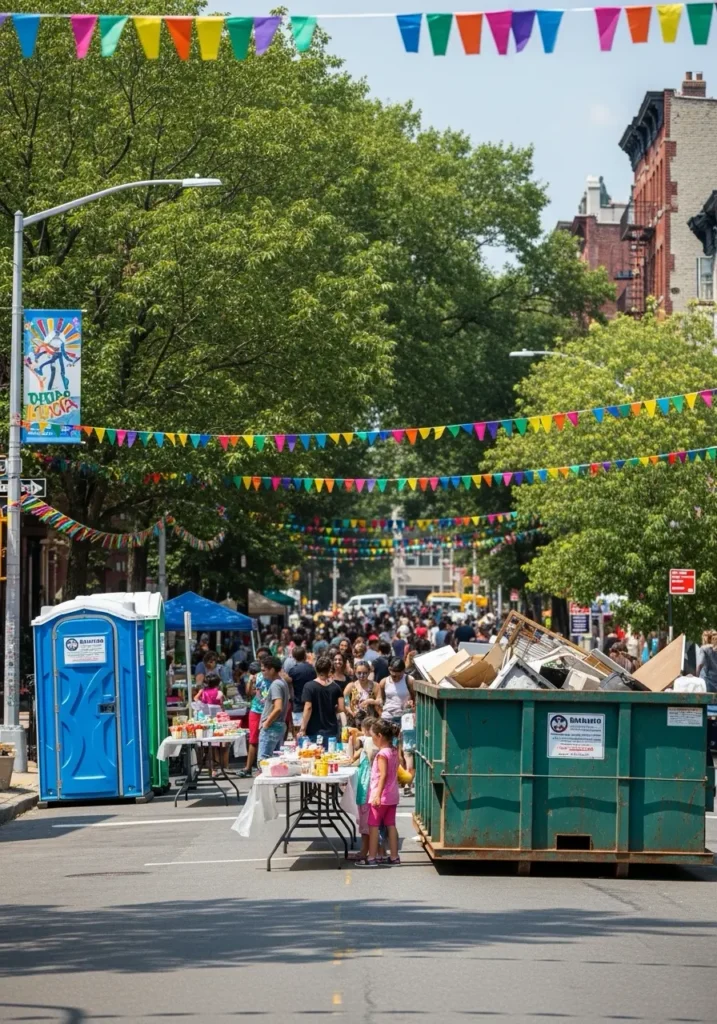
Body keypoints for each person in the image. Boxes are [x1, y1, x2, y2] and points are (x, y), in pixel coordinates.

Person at [358, 718, 401, 867]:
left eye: (373, 736)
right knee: (391, 825)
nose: (372, 739)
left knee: (373, 825)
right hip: (392, 795)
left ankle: (371, 858)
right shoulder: (394, 751)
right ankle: (394, 856)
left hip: (381, 796)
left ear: (380, 736)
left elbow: (383, 775)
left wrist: (376, 794)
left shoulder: (382, 754)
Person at [299, 654, 345, 743]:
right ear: (329, 669)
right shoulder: (336, 687)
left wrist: (303, 728)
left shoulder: (309, 686)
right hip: (331, 730)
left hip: (313, 731)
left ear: (316, 668)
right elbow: (342, 708)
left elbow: (308, 707)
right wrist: (333, 709)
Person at [240, 648, 272, 777]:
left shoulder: (273, 675)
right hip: (256, 710)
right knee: (253, 740)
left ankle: (263, 767)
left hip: (268, 711)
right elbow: (249, 693)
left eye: (263, 657)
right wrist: (250, 680)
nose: (260, 659)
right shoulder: (256, 676)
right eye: (259, 657)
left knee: (267, 740)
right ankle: (248, 767)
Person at [258, 656, 290, 759]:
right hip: (278, 726)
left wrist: (266, 724)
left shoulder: (276, 684)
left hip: (272, 727)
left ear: (272, 670)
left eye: (264, 670)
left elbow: (278, 707)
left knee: (263, 761)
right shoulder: (282, 682)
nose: (262, 673)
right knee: (274, 762)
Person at [286, 646, 316, 733]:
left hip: (298, 704)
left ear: (294, 657)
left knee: (298, 732)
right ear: (305, 656)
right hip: (311, 703)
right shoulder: (312, 669)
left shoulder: (292, 670)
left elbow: (290, 687)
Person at [378, 658, 415, 726]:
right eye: (394, 676)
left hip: (404, 717)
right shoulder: (383, 682)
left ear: (403, 671)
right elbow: (382, 700)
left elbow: (415, 699)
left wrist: (411, 705)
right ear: (389, 670)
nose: (397, 679)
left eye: (399, 676)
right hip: (387, 717)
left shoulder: (409, 681)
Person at [344, 660, 382, 725]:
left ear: (369, 672)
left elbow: (380, 701)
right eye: (359, 673)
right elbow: (346, 702)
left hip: (370, 722)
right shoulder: (350, 686)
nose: (362, 675)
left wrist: (371, 701)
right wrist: (351, 711)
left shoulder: (375, 686)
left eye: (365, 673)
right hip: (355, 721)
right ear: (355, 672)